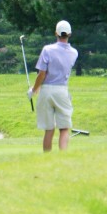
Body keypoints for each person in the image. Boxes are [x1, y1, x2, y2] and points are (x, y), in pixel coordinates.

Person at [27, 20, 79, 152]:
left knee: (49, 129)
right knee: (64, 128)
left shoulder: (47, 50)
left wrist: (33, 90)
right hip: (62, 91)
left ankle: (47, 159)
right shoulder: (74, 53)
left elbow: (42, 74)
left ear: (56, 33)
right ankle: (62, 157)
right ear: (70, 34)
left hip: (46, 91)